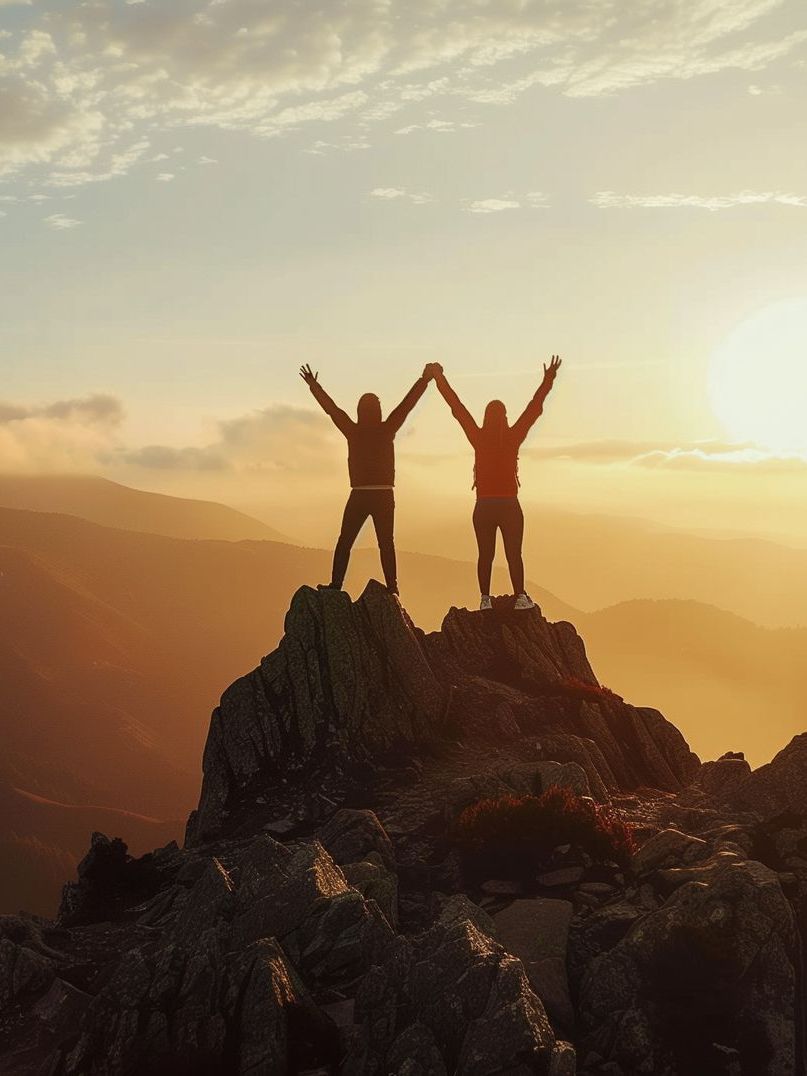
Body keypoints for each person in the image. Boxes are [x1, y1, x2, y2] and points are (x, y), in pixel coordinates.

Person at [433, 356, 562, 610]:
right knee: (514, 553)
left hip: (483, 506)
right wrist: (549, 379)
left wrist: (439, 378)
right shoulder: (512, 438)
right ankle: (520, 597)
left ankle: (485, 599)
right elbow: (533, 409)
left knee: (485, 555)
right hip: (509, 506)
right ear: (504, 416)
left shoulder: (478, 437)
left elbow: (457, 408)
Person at [300, 362, 438, 595]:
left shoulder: (352, 430)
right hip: (384, 493)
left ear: (359, 410)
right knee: (386, 543)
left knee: (345, 541)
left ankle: (336, 585)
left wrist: (314, 386)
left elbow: (331, 409)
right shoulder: (388, 428)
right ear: (378, 410)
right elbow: (408, 405)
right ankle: (393, 588)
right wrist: (425, 380)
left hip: (360, 494)